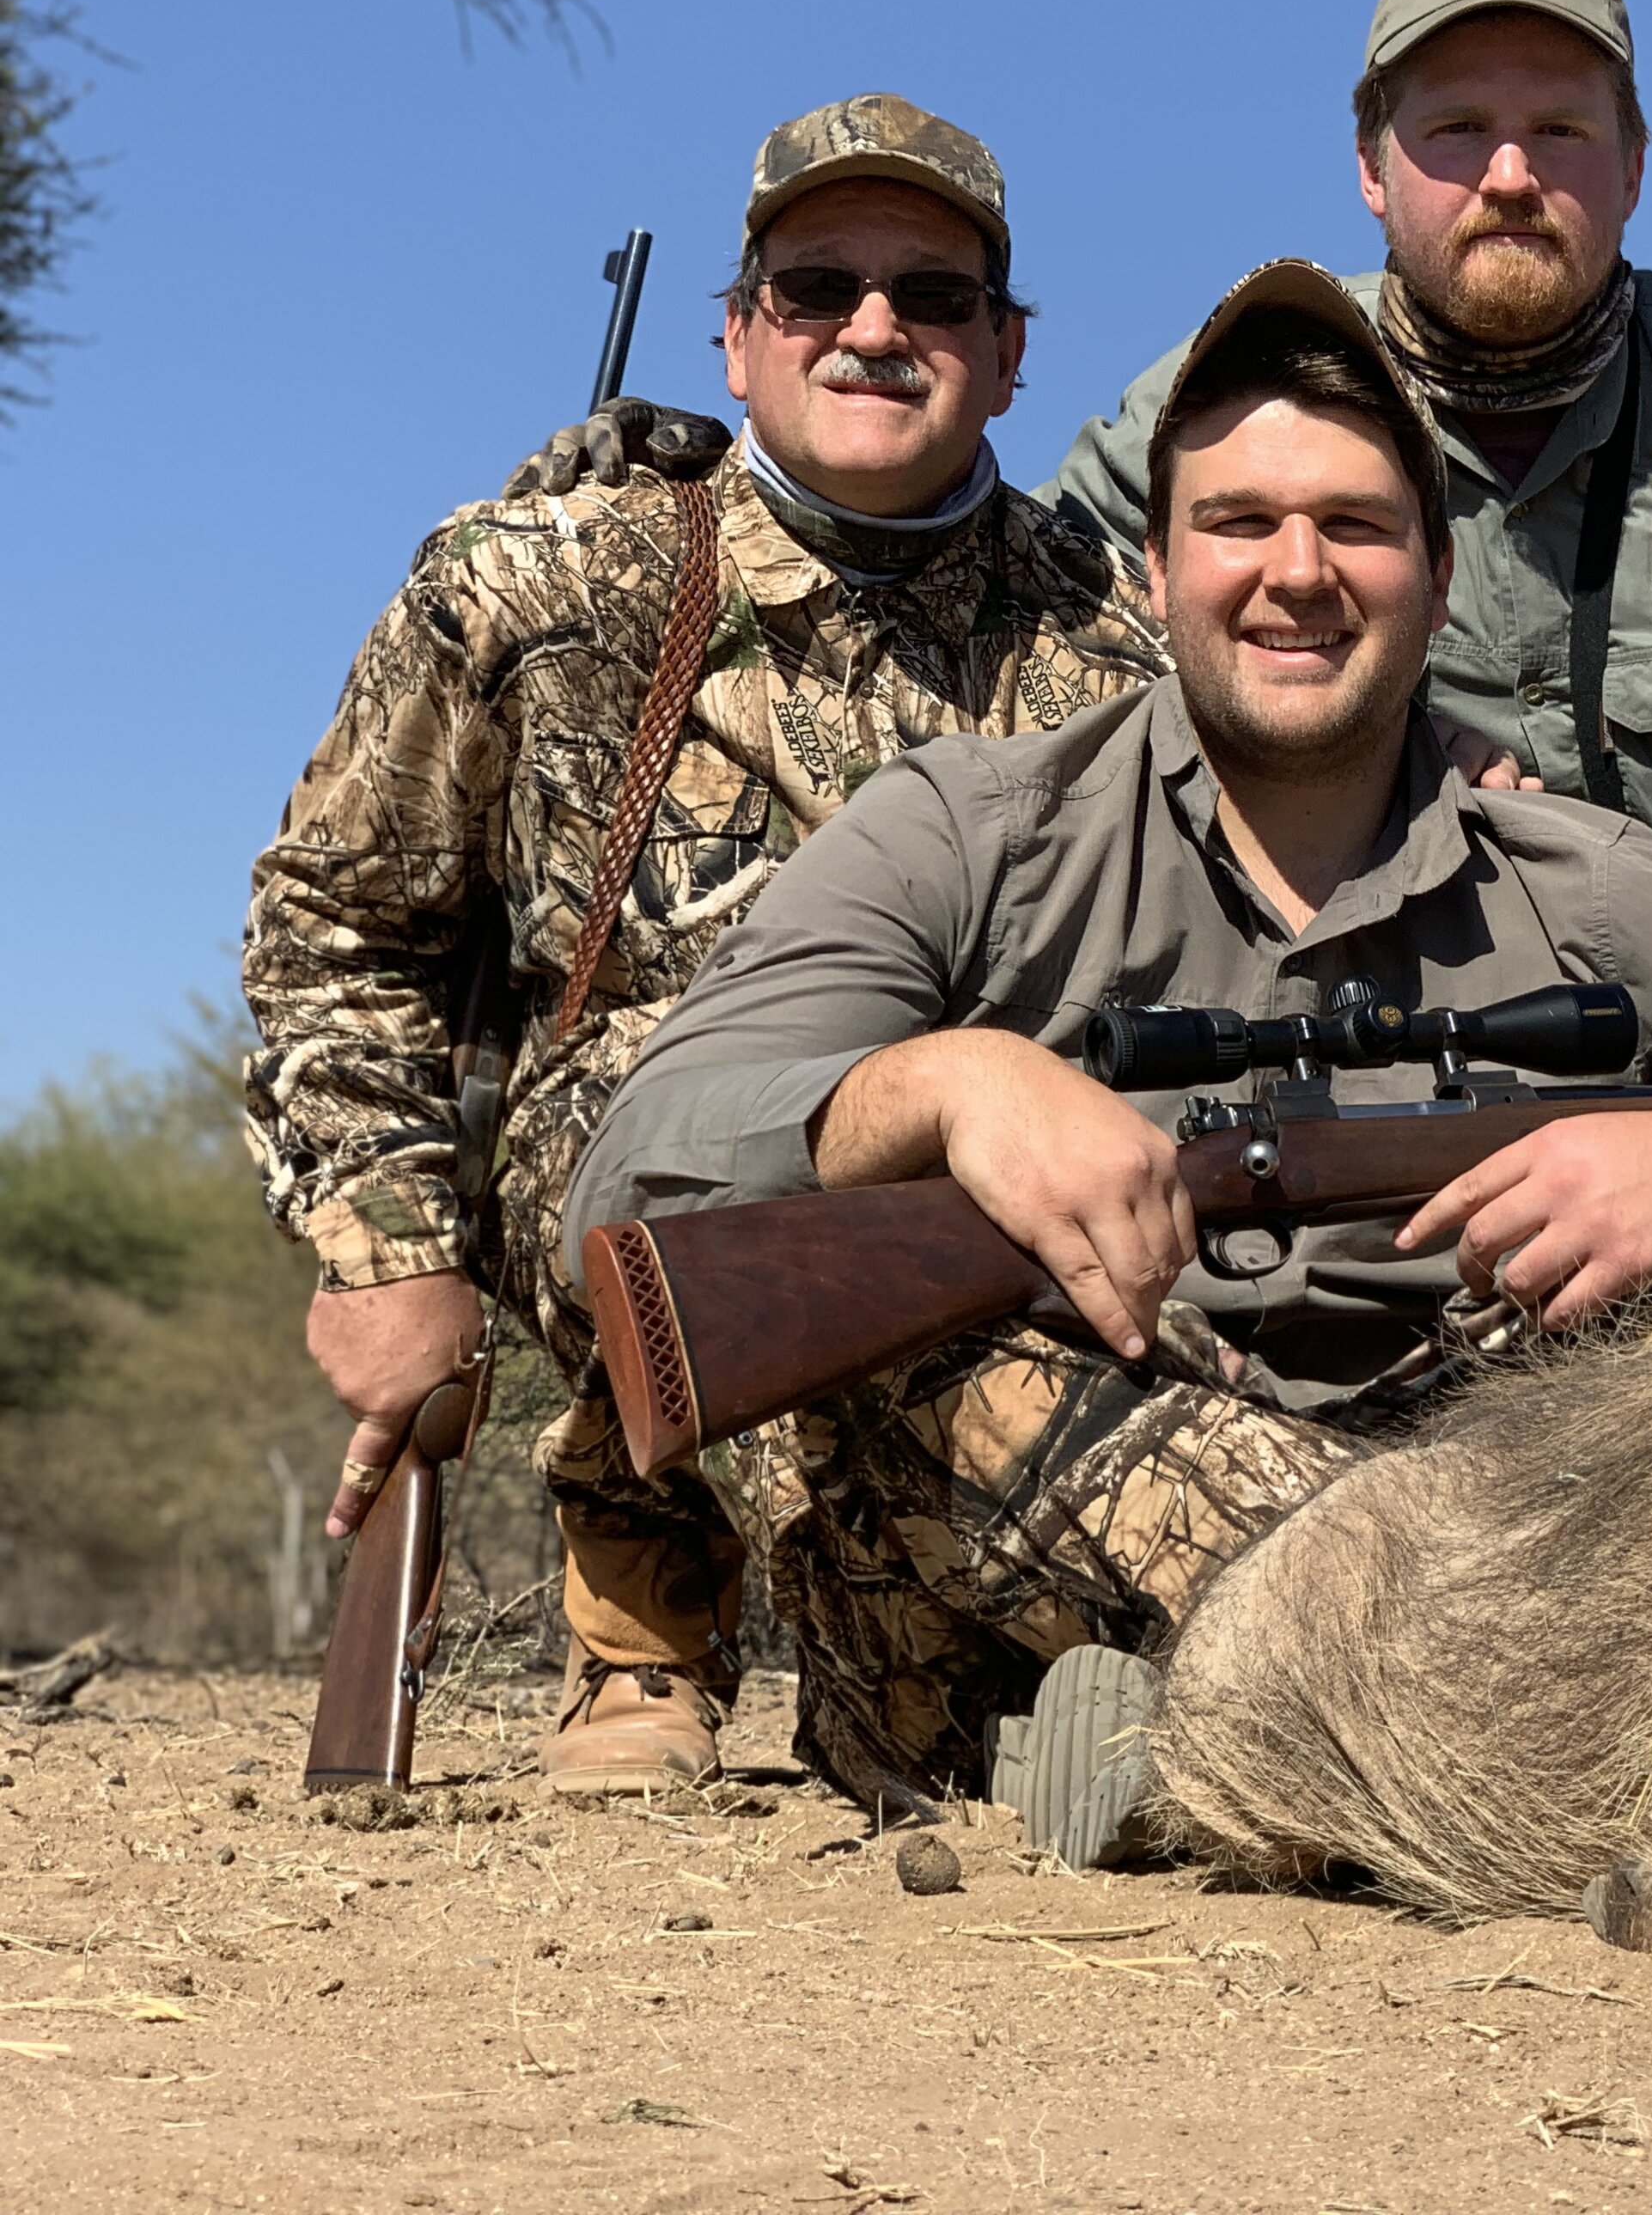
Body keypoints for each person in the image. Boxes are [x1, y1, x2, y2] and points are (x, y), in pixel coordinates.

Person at [561, 260, 1652, 1847]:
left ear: (1438, 581)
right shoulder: (964, 829)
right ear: (1151, 573)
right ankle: (1476, 1751)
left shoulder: (1599, 880)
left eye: (1355, 526)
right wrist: (942, 1081)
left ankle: (1200, 1759)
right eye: (1237, 522)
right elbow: (633, 1166)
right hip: (1111, 1596)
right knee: (937, 1353)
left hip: (1493, 1496)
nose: (1297, 572)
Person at [539, 0, 1652, 958]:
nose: (1508, 171)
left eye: (1558, 128)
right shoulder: (1226, 398)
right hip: (1361, 991)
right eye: (1456, 129)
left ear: (1634, 166)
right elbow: (1017, 589)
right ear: (1375, 170)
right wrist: (750, 473)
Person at [241, 95, 1167, 1802]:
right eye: (818, 291)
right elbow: (339, 921)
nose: (876, 330)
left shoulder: (1132, 628)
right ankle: (641, 1623)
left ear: (1011, 354)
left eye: (935, 297)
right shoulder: (536, 580)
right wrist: (383, 1247)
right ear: (739, 342)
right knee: (664, 1104)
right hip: (650, 1199)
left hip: (1007, 1219)